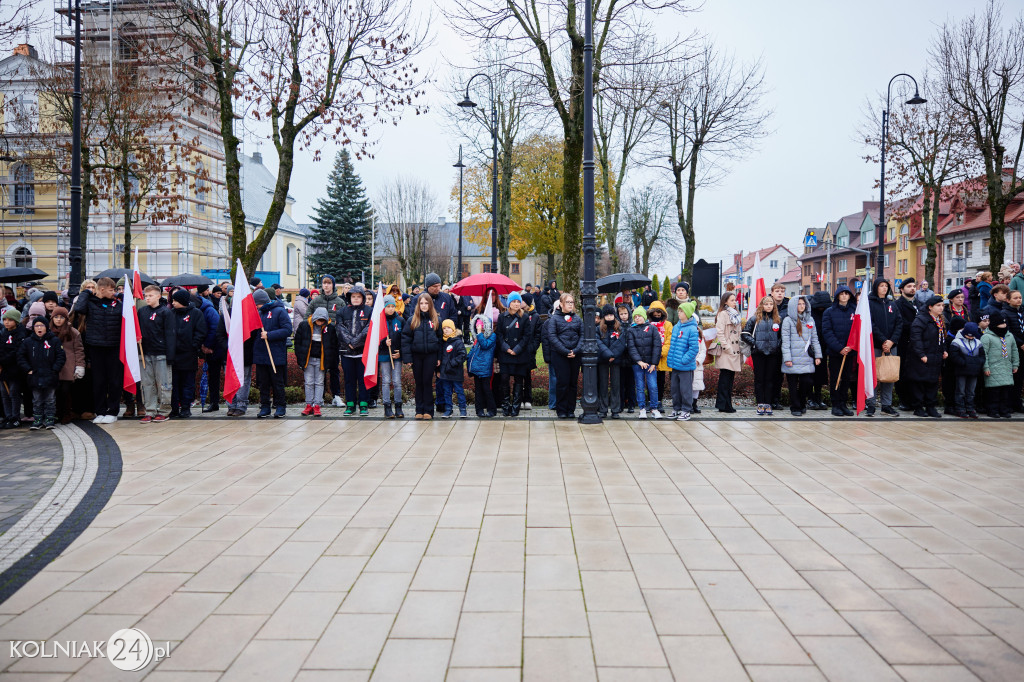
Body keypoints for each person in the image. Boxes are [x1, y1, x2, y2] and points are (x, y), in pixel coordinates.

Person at [71, 277, 124, 423]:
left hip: (114, 346)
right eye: (111, 290)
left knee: (114, 381)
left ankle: (112, 411)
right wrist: (86, 293)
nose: (114, 292)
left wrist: (123, 296)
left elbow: (128, 313)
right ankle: (100, 411)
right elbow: (79, 309)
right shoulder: (90, 302)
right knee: (99, 381)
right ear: (101, 289)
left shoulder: (117, 303)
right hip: (96, 346)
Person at [19, 317, 65, 430]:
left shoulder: (54, 340)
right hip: (35, 376)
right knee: (37, 399)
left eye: (42, 325)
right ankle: (38, 420)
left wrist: (55, 369)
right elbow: (20, 356)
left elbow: (61, 356)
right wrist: (28, 369)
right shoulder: (28, 342)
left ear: (46, 327)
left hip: (50, 375)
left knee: (50, 399)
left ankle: (50, 419)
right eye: (36, 326)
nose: (39, 328)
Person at [137, 285, 175, 423]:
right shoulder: (141, 312)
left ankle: (164, 410)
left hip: (161, 353)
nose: (147, 298)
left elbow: (170, 334)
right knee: (147, 384)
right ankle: (150, 410)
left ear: (159, 296)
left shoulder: (166, 312)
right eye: (146, 296)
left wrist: (170, 355)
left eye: (150, 295)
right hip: (145, 353)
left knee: (163, 383)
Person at [402, 293, 443, 419]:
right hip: (417, 356)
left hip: (431, 355)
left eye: (426, 303)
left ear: (430, 304)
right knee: (419, 382)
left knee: (427, 381)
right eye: (421, 303)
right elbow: (406, 339)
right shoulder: (412, 320)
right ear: (418, 305)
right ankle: (419, 410)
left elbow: (441, 340)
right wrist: (408, 358)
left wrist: (439, 357)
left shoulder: (436, 320)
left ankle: (428, 411)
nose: (424, 306)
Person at [866, 279, 903, 417]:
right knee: (873, 375)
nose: (884, 288)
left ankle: (886, 405)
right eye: (881, 286)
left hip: (891, 346)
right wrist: (883, 340)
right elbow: (871, 324)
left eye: (886, 286)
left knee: (889, 375)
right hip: (876, 345)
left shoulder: (892, 304)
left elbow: (899, 323)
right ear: (876, 287)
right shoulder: (869, 304)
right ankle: (871, 404)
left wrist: (892, 341)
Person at [252, 288, 291, 418]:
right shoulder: (258, 313)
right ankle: (265, 407)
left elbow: (287, 330)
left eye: (257, 303)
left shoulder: (279, 311)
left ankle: (280, 406)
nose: (256, 306)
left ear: (262, 301)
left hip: (275, 354)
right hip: (261, 353)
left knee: (277, 382)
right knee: (263, 383)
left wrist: (270, 335)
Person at [168, 289, 207, 419]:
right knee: (174, 384)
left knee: (187, 383)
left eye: (175, 300)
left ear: (183, 301)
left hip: (188, 355)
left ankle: (185, 408)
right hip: (173, 355)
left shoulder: (196, 313)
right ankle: (174, 408)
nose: (172, 303)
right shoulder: (171, 313)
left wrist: (193, 345)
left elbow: (200, 331)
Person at [907, 295, 947, 418]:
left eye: (942, 306)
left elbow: (942, 338)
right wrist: (921, 354)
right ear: (930, 307)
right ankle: (918, 407)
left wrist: (944, 350)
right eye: (938, 306)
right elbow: (916, 338)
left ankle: (931, 407)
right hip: (922, 357)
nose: (941, 308)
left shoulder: (940, 320)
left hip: (936, 355)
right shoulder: (921, 320)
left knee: (932, 382)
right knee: (919, 382)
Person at [545, 292, 584, 419]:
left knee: (573, 383)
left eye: (571, 302)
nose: (570, 305)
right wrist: (565, 351)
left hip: (575, 355)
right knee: (562, 383)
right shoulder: (554, 319)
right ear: (561, 304)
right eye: (567, 302)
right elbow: (552, 337)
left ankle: (570, 409)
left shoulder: (577, 319)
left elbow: (582, 336)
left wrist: (576, 350)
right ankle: (561, 409)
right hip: (560, 355)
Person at [781, 296, 822, 416]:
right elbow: (785, 341)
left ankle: (802, 403)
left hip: (806, 358)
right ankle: (795, 406)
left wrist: (818, 356)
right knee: (792, 385)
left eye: (803, 304)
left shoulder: (810, 320)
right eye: (799, 304)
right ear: (794, 306)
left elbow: (815, 339)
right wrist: (787, 358)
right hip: (792, 358)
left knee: (806, 382)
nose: (802, 306)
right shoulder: (788, 320)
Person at [743, 295, 783, 416]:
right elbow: (745, 334)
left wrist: (777, 345)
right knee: (759, 379)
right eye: (766, 304)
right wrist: (755, 344)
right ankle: (760, 403)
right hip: (758, 354)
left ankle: (768, 404)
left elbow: (782, 336)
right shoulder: (754, 319)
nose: (769, 306)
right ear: (762, 305)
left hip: (772, 354)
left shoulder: (778, 319)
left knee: (770, 379)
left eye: (771, 304)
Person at [295, 307, 338, 418]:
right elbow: (298, 343)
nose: (320, 323)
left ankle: (317, 405)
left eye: (322, 321)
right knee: (308, 382)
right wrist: (300, 359)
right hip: (308, 360)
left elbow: (333, 347)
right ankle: (309, 404)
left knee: (319, 382)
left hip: (321, 360)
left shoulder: (330, 328)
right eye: (318, 320)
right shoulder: (304, 326)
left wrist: (330, 362)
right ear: (314, 318)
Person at [495, 292, 532, 417]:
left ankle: (515, 407)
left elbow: (527, 336)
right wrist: (506, 348)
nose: (516, 304)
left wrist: (517, 349)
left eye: (518, 301)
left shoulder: (525, 317)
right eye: (513, 301)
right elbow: (499, 335)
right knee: (504, 380)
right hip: (505, 354)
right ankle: (505, 406)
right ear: (509, 303)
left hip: (519, 355)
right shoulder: (502, 317)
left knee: (518, 381)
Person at [308, 275, 344, 406]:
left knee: (334, 369)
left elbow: (343, 320)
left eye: (329, 283)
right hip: (318, 342)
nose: (326, 286)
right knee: (319, 370)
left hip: (333, 342)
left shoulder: (340, 302)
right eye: (324, 283)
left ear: (333, 285)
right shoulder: (315, 301)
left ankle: (336, 396)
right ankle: (319, 398)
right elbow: (308, 318)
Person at [822, 286, 857, 417]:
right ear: (837, 296)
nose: (844, 296)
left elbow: (858, 330)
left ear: (849, 296)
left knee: (847, 378)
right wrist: (839, 348)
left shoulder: (855, 311)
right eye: (841, 294)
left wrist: (850, 347)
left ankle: (843, 404)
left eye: (846, 294)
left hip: (850, 351)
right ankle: (835, 404)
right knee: (836, 378)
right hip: (835, 352)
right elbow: (827, 332)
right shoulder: (829, 312)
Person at [338, 284, 371, 416]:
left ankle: (363, 404)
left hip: (362, 352)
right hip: (346, 352)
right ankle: (350, 405)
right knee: (349, 380)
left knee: (363, 379)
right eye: (353, 296)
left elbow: (369, 328)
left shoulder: (369, 311)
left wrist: (356, 342)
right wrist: (349, 342)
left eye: (358, 297)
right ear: (349, 297)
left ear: (362, 298)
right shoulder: (342, 311)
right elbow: (340, 328)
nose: (356, 299)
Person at [981, 311, 1020, 418]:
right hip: (993, 368)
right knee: (994, 392)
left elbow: (1014, 350)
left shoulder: (1009, 336)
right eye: (1000, 324)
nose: (1003, 326)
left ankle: (1004, 410)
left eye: (1004, 324)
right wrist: (986, 367)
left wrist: (1015, 364)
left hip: (1006, 367)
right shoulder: (987, 337)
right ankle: (993, 410)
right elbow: (984, 354)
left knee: (1005, 392)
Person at [49, 307, 84, 424]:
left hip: (68, 365)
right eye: (56, 317)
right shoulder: (48, 332)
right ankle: (56, 413)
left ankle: (66, 413)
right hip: (53, 365)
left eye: (61, 317)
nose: (58, 320)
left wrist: (79, 366)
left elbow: (79, 350)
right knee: (55, 391)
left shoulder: (73, 332)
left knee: (65, 391)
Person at [626, 306, 662, 419]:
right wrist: (639, 361)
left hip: (651, 364)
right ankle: (642, 409)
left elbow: (657, 346)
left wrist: (654, 363)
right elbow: (631, 347)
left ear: (644, 317)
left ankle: (654, 408)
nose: (637, 318)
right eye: (635, 317)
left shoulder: (652, 329)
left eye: (639, 316)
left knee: (653, 386)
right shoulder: (631, 330)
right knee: (640, 386)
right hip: (638, 364)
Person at [666, 301, 700, 421]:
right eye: (679, 311)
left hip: (685, 366)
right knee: (675, 388)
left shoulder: (692, 329)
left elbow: (694, 348)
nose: (678, 313)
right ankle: (676, 408)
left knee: (685, 389)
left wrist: (683, 359)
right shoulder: (676, 327)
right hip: (675, 365)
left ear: (687, 313)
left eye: (681, 311)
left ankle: (686, 410)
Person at [714, 292, 743, 413]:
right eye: (732, 300)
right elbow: (719, 332)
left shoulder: (736, 314)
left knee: (729, 379)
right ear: (725, 301)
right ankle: (724, 404)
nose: (734, 302)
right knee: (725, 378)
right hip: (727, 351)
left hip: (735, 350)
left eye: (735, 300)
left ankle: (725, 404)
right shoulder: (723, 314)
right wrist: (727, 347)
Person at [948, 321, 984, 419]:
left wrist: (977, 363)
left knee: (971, 391)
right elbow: (954, 356)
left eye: (972, 336)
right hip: (962, 370)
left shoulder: (978, 342)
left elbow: (982, 356)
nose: (970, 337)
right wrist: (964, 363)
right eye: (968, 336)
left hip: (974, 370)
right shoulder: (957, 342)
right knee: (960, 390)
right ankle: (960, 408)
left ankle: (970, 408)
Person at [596, 304, 626, 419]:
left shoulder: (620, 327)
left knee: (615, 385)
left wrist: (612, 355)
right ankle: (603, 409)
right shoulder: (599, 328)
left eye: (611, 315)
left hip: (616, 360)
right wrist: (607, 354)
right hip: (603, 359)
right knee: (603, 385)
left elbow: (621, 343)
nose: (609, 317)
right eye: (607, 315)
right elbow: (598, 343)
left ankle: (615, 409)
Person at [894, 278, 920, 409]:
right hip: (904, 343)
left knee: (916, 372)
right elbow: (900, 323)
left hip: (918, 343)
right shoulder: (898, 305)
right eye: (909, 286)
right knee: (903, 372)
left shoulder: (920, 304)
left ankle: (915, 400)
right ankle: (904, 400)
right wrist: (918, 327)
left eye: (914, 286)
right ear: (902, 289)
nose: (912, 288)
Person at [0, 309, 28, 428]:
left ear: (16, 321)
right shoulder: (3, 333)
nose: (7, 322)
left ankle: (15, 417)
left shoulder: (21, 334)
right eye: (5, 320)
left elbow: (17, 351)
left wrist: (4, 360)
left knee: (13, 393)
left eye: (10, 320)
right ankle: (8, 416)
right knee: (4, 393)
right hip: (3, 369)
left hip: (14, 369)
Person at [378, 295, 404, 419]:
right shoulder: (380, 321)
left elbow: (404, 339)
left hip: (396, 355)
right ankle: (387, 406)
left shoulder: (400, 320)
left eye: (392, 306)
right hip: (384, 355)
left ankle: (398, 406)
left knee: (397, 381)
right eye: (388, 306)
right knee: (386, 381)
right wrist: (384, 342)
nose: (390, 309)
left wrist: (401, 352)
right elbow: (376, 339)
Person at [468, 312, 497, 418]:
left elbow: (485, 345)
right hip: (476, 368)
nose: (480, 328)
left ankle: (492, 409)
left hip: (485, 368)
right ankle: (479, 410)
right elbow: (473, 351)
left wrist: (480, 334)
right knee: (478, 390)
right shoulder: (477, 338)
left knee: (486, 389)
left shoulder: (492, 336)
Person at [438, 319, 468, 418]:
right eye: (444, 328)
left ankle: (463, 410)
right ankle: (448, 409)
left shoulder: (458, 341)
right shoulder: (442, 342)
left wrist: (452, 363)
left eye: (448, 328)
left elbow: (463, 355)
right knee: (447, 392)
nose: (446, 330)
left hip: (455, 372)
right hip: (445, 373)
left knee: (459, 391)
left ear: (453, 329)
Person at [808, 291, 832, 409]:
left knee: (820, 375)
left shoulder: (828, 312)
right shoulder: (810, 313)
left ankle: (818, 397)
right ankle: (810, 398)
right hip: (809, 348)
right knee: (809, 375)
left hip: (823, 348)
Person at [520, 292, 542, 410]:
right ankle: (519, 399)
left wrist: (532, 347)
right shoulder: (518, 315)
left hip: (529, 351)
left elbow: (538, 335)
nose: (519, 303)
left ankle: (528, 399)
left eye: (522, 301)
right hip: (519, 350)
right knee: (518, 377)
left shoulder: (535, 316)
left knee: (527, 376)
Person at [1005, 290, 1024, 412]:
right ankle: (1012, 403)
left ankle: (1018, 402)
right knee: (1015, 377)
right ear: (1008, 300)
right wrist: (1020, 343)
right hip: (1015, 348)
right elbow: (1008, 331)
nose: (1018, 300)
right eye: (1015, 298)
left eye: (1020, 297)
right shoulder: (1005, 313)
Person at [615, 302, 636, 413]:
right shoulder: (617, 326)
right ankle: (621, 403)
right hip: (620, 357)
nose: (623, 316)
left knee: (631, 383)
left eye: (625, 313)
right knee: (620, 383)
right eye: (621, 314)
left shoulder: (633, 325)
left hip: (631, 358)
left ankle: (631, 404)